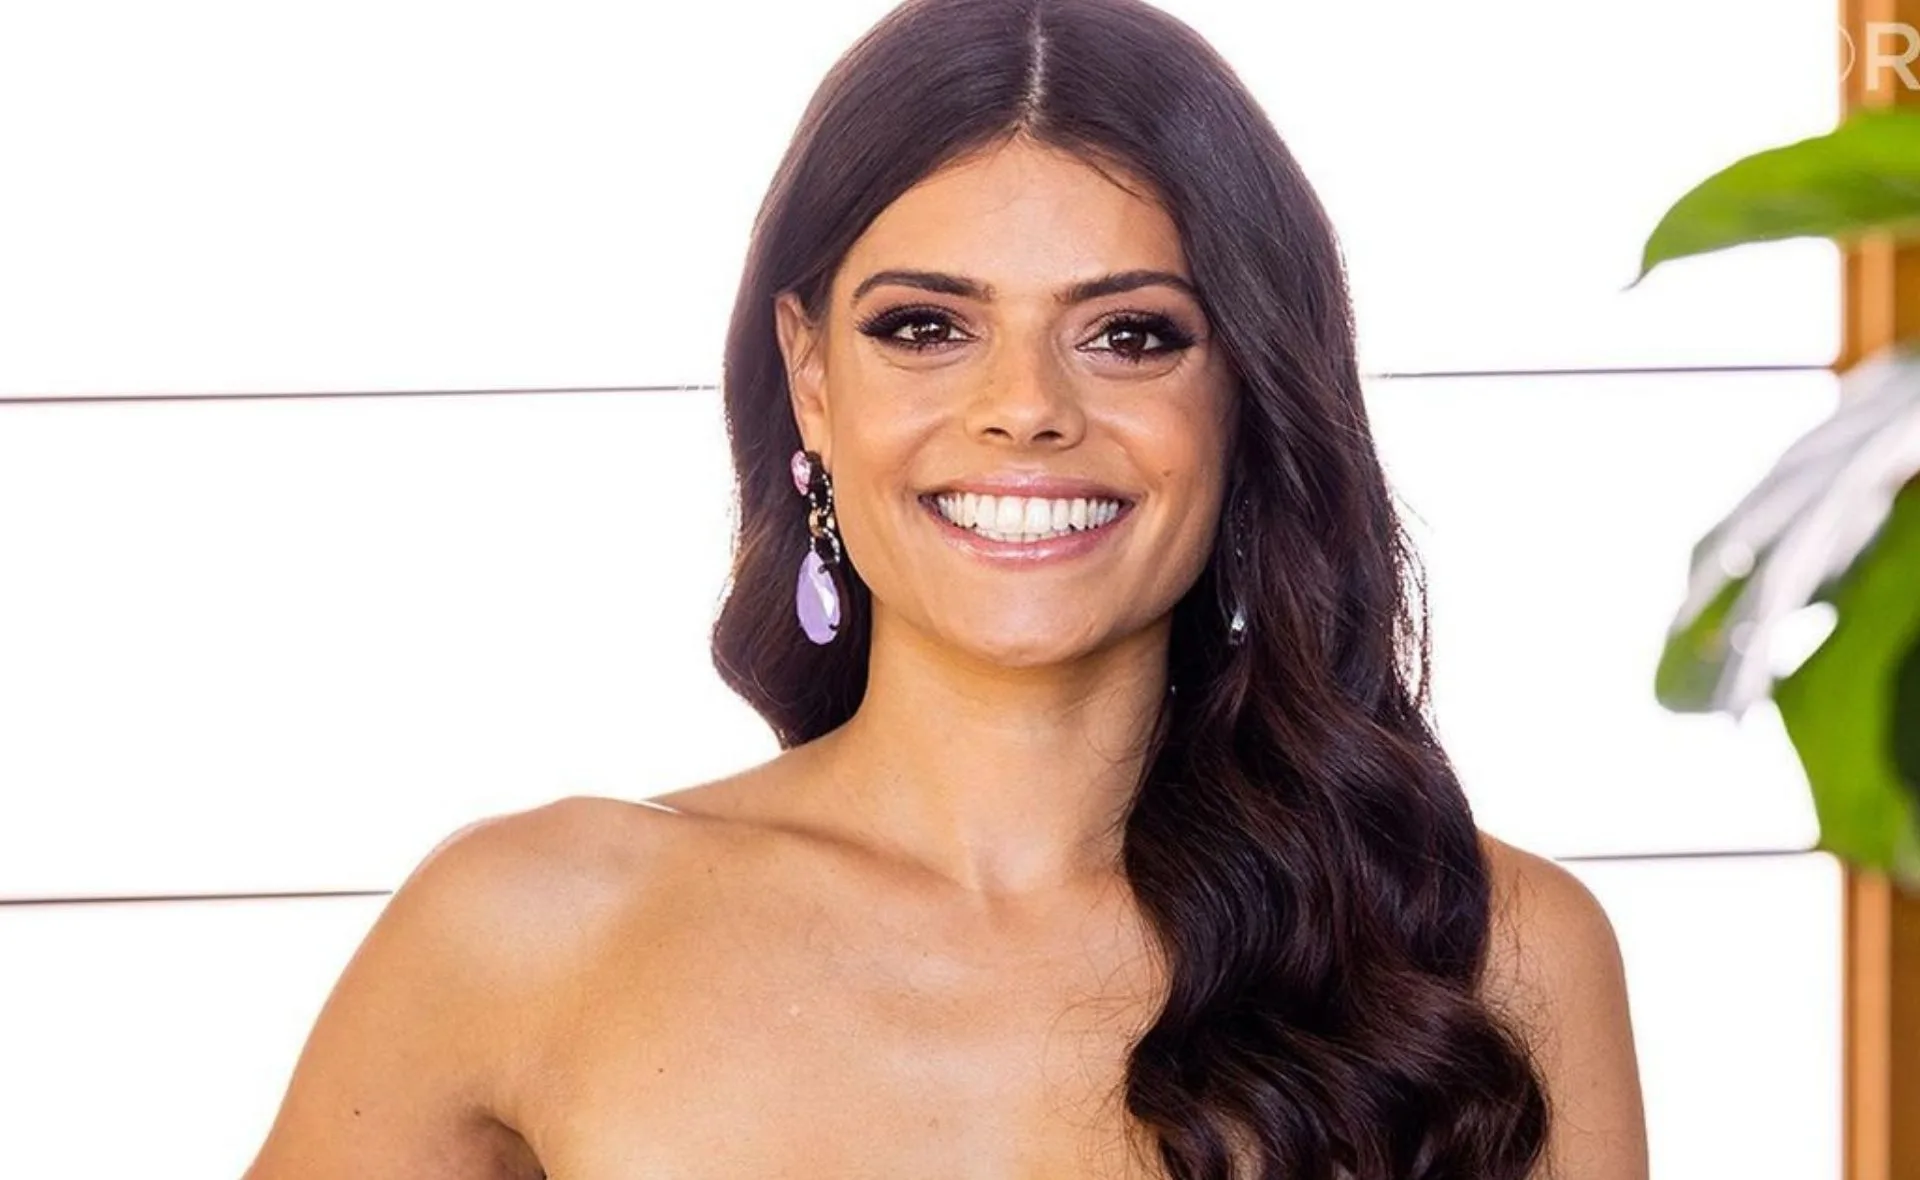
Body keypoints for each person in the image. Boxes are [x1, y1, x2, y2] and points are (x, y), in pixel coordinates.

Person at [243, 0, 1647, 1176]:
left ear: (1247, 397)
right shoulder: (525, 928)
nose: (1023, 408)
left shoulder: (1489, 954)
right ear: (809, 377)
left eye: (1130, 335)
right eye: (925, 327)